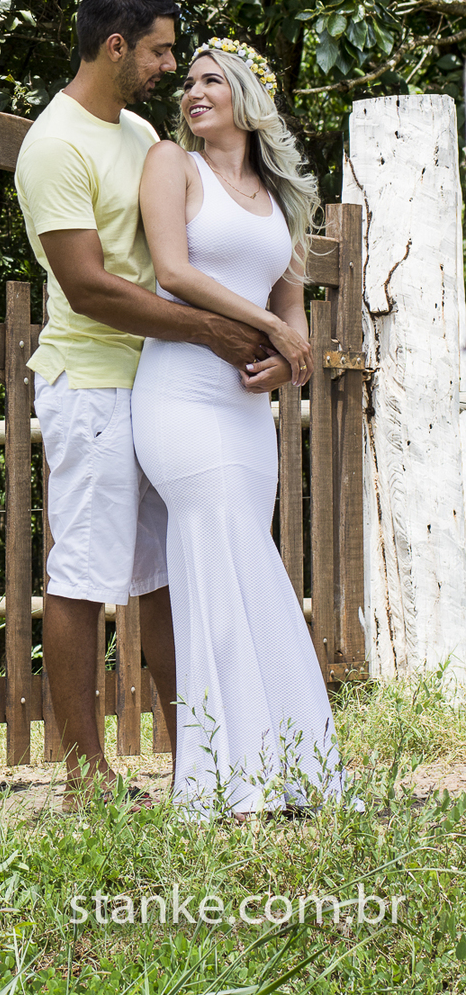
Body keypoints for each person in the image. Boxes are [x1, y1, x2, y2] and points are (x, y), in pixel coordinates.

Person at [14, 0, 287, 803]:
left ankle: (194, 762)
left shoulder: (135, 132)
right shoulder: (55, 145)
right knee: (85, 574)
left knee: (167, 576)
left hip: (161, 388)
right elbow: (91, 288)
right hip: (92, 383)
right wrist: (210, 331)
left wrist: (268, 338)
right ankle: (84, 778)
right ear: (116, 47)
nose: (172, 65)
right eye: (164, 50)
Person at [131, 41, 345, 816]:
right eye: (186, 81)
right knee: (219, 556)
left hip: (249, 409)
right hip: (180, 395)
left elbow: (291, 306)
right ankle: (230, 779)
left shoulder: (282, 199)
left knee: (239, 566)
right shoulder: (170, 165)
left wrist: (293, 357)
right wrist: (271, 329)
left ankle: (284, 768)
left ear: (249, 96)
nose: (191, 91)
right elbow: (177, 273)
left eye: (209, 80)